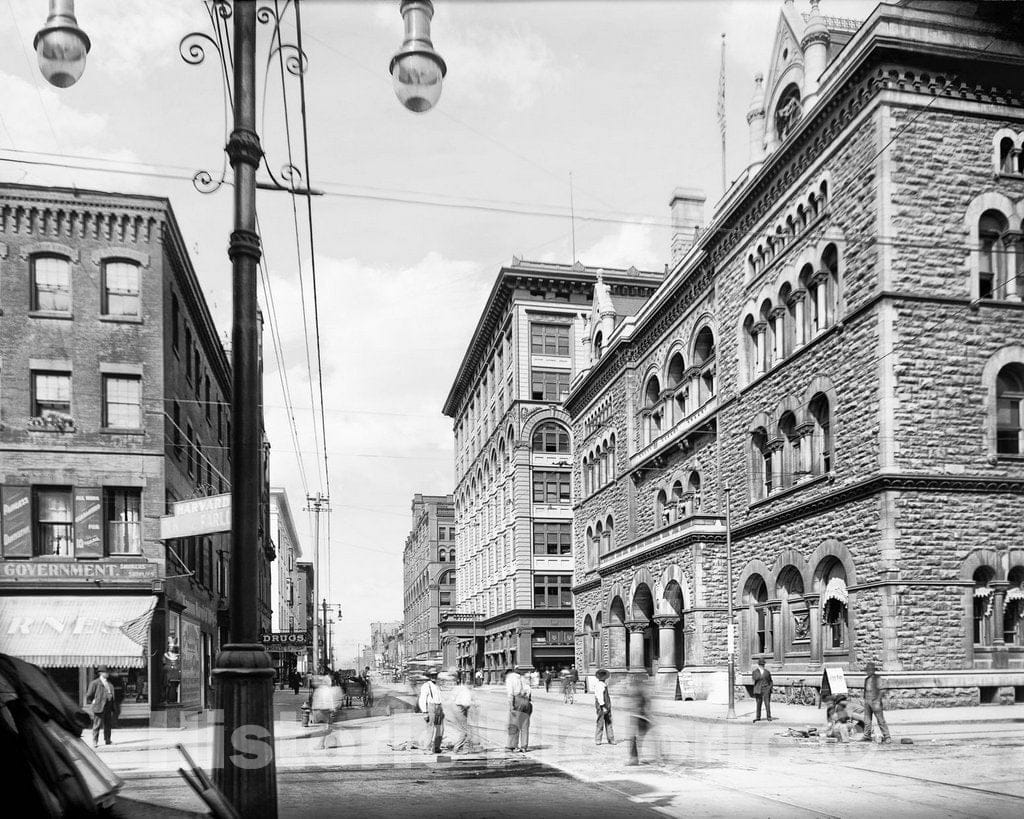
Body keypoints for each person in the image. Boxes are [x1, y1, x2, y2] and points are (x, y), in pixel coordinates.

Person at [84, 665, 118, 747]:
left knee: (108, 724)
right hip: (99, 706)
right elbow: (89, 695)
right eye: (106, 672)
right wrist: (94, 701)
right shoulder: (95, 683)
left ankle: (108, 740)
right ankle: (95, 741)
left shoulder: (109, 683)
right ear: (101, 673)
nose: (108, 674)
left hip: (108, 706)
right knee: (97, 724)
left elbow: (111, 694)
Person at [860, 662, 891, 743]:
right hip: (867, 700)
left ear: (873, 670)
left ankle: (887, 736)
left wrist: (878, 700)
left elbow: (882, 690)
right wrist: (865, 700)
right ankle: (867, 735)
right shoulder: (866, 679)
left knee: (880, 719)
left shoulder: (878, 678)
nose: (868, 671)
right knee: (867, 720)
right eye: (867, 670)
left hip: (875, 701)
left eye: (869, 670)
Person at [504, 668, 532, 753]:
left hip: (517, 700)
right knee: (524, 725)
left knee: (514, 724)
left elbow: (510, 693)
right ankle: (524, 746)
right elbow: (529, 690)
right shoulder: (522, 678)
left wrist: (511, 705)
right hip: (526, 701)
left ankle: (512, 746)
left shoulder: (510, 679)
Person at [418, 669, 444, 753]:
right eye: (432, 675)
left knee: (440, 728)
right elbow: (422, 699)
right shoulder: (426, 685)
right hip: (431, 707)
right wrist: (425, 712)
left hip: (439, 707)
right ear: (429, 676)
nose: (434, 677)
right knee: (430, 728)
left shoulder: (438, 685)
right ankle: (426, 748)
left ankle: (436, 747)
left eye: (435, 675)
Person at [451, 679, 476, 753]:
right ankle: (457, 748)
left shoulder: (462, 689)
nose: (472, 687)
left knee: (466, 730)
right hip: (461, 710)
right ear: (469, 685)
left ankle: (464, 748)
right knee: (465, 730)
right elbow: (465, 704)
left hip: (458, 708)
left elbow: (453, 698)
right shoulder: (466, 692)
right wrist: (472, 705)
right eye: (471, 686)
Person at [593, 668, 616, 745]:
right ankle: (598, 739)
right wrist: (603, 706)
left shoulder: (603, 685)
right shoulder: (600, 685)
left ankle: (611, 738)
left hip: (606, 705)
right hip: (602, 706)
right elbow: (599, 697)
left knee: (608, 721)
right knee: (601, 722)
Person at [752, 658, 774, 723]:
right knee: (759, 703)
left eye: (763, 664)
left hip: (766, 689)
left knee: (767, 703)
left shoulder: (767, 672)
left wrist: (769, 688)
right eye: (761, 664)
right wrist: (760, 673)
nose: (762, 665)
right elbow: (755, 678)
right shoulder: (755, 672)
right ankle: (758, 717)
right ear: (758, 665)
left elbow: (770, 681)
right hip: (758, 689)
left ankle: (769, 717)